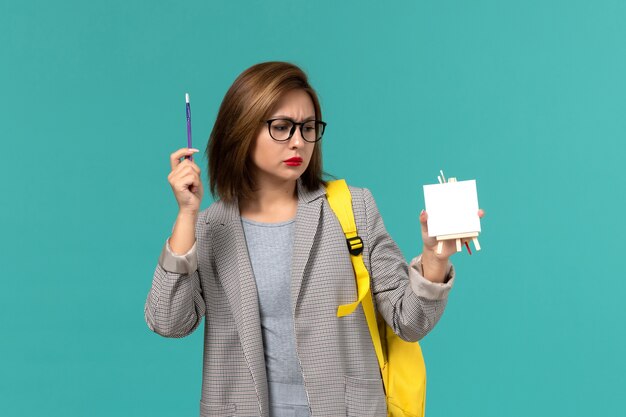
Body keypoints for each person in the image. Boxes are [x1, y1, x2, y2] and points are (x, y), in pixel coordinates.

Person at [144, 61, 484, 417]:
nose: (298, 141)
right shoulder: (211, 228)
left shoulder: (354, 208)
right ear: (242, 130)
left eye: (308, 128)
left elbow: (409, 321)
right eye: (281, 127)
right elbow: (169, 322)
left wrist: (435, 258)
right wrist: (186, 215)